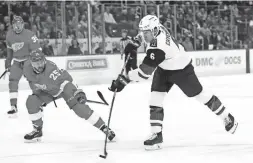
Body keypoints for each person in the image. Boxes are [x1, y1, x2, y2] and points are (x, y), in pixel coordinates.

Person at [108, 15, 238, 150]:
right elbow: (143, 36)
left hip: (181, 69)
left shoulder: (159, 46)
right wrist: (135, 42)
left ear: (154, 31)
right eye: (142, 32)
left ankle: (227, 117)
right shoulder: (156, 29)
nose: (144, 35)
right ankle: (156, 134)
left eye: (146, 33)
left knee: (200, 95)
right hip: (164, 68)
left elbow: (143, 73)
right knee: (155, 98)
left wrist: (124, 79)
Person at [22, 49, 116, 142]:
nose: (39, 66)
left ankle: (104, 128)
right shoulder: (26, 67)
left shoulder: (51, 71)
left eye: (41, 62)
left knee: (80, 109)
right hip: (45, 92)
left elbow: (66, 82)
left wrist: (77, 92)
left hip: (61, 89)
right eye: (36, 63)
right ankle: (37, 130)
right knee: (31, 101)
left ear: (44, 60)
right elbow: (31, 81)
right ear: (31, 63)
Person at [5, 15, 41, 117]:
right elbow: (9, 52)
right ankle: (13, 106)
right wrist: (8, 64)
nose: (18, 26)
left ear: (23, 24)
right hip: (16, 62)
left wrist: (36, 63)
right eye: (16, 24)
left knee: (32, 81)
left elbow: (37, 50)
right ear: (12, 25)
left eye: (20, 24)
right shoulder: (9, 35)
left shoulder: (30, 34)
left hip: (28, 60)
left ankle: (38, 104)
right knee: (12, 82)